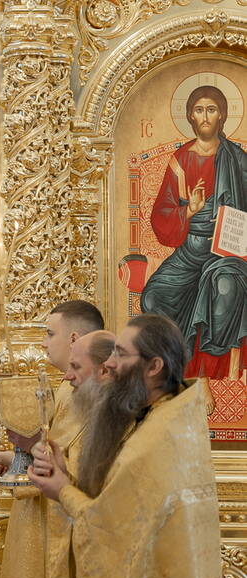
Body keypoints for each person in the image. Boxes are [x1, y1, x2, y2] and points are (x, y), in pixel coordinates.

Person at [30, 314, 221, 578]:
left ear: (154, 366)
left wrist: (62, 491)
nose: (109, 363)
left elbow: (108, 532)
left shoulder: (154, 440)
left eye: (120, 353)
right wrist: (66, 475)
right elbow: (118, 503)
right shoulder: (168, 413)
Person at [0, 300, 104, 578]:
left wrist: (30, 445)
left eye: (50, 333)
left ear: (74, 338)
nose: (43, 343)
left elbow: (82, 468)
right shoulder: (68, 387)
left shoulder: (95, 395)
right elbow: (59, 448)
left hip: (59, 525)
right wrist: (18, 457)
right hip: (39, 519)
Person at [141, 85, 246, 379]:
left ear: (222, 115)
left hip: (228, 253)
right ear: (190, 115)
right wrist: (190, 210)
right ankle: (176, 370)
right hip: (189, 253)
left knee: (225, 289)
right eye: (199, 110)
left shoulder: (239, 161)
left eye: (211, 109)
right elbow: (161, 214)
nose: (205, 116)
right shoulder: (181, 160)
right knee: (153, 297)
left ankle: (209, 376)